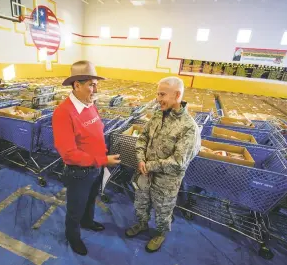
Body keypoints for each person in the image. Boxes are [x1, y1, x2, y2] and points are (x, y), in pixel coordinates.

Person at [125, 76, 201, 253]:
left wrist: (149, 165)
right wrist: (141, 159)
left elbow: (179, 162)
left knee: (163, 210)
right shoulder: (158, 115)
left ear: (177, 95)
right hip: (144, 173)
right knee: (141, 203)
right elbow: (142, 138)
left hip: (166, 182)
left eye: (162, 94)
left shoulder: (188, 127)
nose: (158, 99)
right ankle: (142, 224)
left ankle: (160, 233)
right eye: (157, 94)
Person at [52, 60, 121, 256]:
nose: (96, 89)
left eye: (96, 84)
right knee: (76, 207)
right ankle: (72, 236)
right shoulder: (63, 113)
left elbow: (96, 133)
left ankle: (87, 221)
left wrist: (102, 158)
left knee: (91, 199)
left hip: (96, 166)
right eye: (91, 84)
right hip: (79, 172)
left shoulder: (89, 104)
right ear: (77, 85)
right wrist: (102, 160)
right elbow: (69, 154)